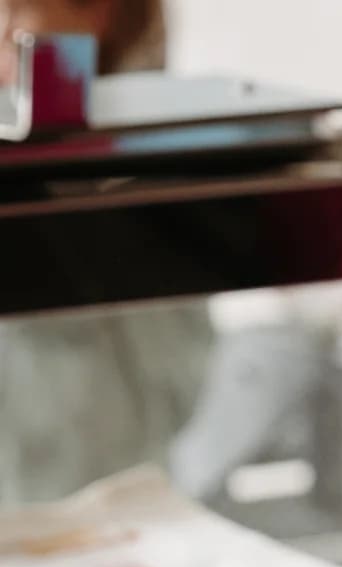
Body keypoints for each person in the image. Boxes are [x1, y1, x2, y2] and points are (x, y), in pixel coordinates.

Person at [0, 0, 211, 507]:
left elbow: (175, 388)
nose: (4, 34)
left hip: (119, 502)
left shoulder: (158, 162)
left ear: (100, 14)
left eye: (18, 15)